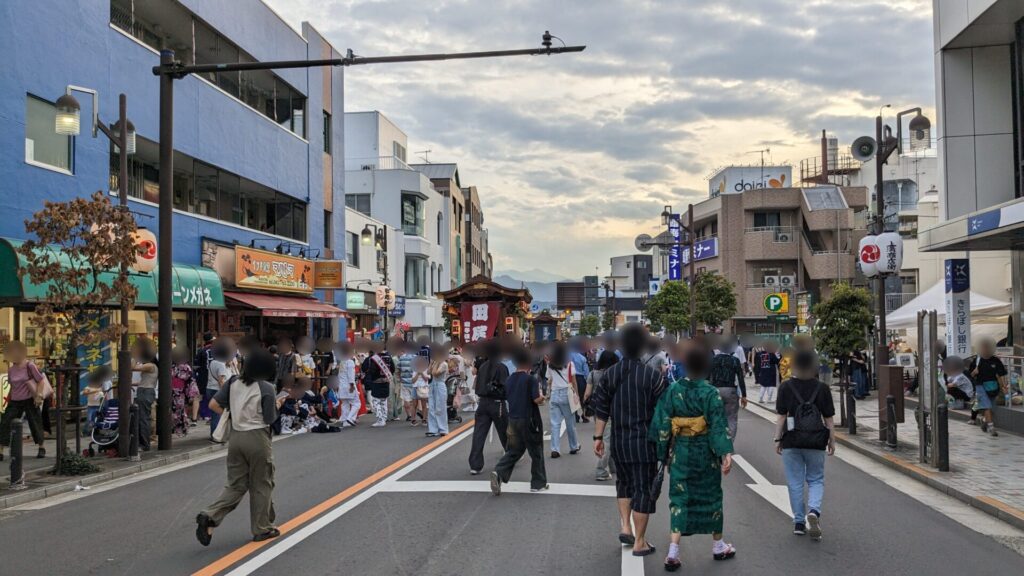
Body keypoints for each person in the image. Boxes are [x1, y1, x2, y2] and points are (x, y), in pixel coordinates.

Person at [650, 343, 736, 571]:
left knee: (679, 499)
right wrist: (725, 452)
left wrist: (661, 452)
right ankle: (718, 545)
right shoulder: (710, 393)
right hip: (705, 454)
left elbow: (662, 422)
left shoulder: (673, 390)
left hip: (681, 452)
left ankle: (673, 550)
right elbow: (718, 426)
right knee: (712, 497)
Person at [592, 323, 667, 558]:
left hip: (620, 441)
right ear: (643, 347)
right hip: (645, 443)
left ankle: (625, 526)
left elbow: (601, 407)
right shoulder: (653, 377)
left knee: (623, 484)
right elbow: (663, 412)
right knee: (643, 490)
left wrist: (597, 437)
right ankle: (640, 542)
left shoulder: (609, 374)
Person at [196, 349, 282, 546]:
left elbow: (213, 405)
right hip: (257, 437)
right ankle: (262, 528)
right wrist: (277, 404)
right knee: (261, 483)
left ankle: (210, 515)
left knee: (236, 484)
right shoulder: (267, 387)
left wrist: (234, 414)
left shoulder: (233, 382)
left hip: (236, 438)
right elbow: (270, 418)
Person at [775, 349, 836, 540]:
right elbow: (829, 419)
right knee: (816, 479)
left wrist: (778, 439)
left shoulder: (785, 387)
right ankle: (814, 512)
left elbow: (781, 417)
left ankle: (799, 522)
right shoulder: (822, 388)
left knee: (794, 482)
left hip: (792, 440)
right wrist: (832, 440)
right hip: (816, 440)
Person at [490, 346, 548, 494]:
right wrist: (543, 397)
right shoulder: (530, 380)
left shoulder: (509, 380)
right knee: (536, 452)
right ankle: (537, 483)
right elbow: (536, 399)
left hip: (513, 419)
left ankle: (499, 472)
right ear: (529, 363)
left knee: (513, 451)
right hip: (529, 420)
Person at [0, 341, 48, 460]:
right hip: (15, 400)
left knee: (35, 423)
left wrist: (39, 395)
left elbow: (40, 380)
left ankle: (41, 447)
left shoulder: (29, 365)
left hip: (30, 399)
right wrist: (8, 399)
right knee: (5, 423)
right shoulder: (11, 370)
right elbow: (12, 385)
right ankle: (0, 450)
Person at [468, 340, 509, 474]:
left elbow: (478, 386)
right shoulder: (502, 367)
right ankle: (511, 456)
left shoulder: (483, 367)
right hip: (497, 403)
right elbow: (505, 388)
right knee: (504, 432)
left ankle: (475, 464)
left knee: (479, 434)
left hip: (483, 403)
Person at [584, 350, 619, 481]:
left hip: (598, 409)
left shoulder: (593, 373)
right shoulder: (615, 374)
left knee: (607, 437)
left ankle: (613, 465)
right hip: (612, 409)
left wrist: (585, 408)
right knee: (608, 439)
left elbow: (587, 393)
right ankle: (601, 470)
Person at [546, 341, 582, 458]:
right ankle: (574, 446)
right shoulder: (570, 364)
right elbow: (574, 381)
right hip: (567, 394)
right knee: (570, 422)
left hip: (555, 394)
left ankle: (555, 449)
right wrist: (577, 394)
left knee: (555, 423)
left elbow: (549, 380)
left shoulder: (550, 365)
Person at [968, 338, 1006, 437]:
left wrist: (1004, 386)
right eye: (983, 347)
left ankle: (984, 421)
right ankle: (991, 427)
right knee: (987, 406)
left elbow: (1001, 374)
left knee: (991, 408)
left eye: (987, 347)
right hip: (980, 386)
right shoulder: (976, 360)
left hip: (993, 386)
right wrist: (974, 372)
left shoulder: (995, 360)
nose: (985, 349)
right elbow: (970, 375)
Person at [709, 343, 747, 440]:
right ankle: (729, 444)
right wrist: (744, 395)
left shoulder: (713, 360)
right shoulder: (735, 360)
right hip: (730, 390)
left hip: (715, 390)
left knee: (715, 417)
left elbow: (708, 376)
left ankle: (716, 441)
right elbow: (740, 378)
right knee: (731, 418)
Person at [208, 338, 238, 440]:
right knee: (219, 414)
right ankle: (216, 435)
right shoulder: (221, 364)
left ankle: (215, 433)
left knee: (215, 414)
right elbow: (221, 380)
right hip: (218, 390)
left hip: (210, 388)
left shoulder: (213, 362)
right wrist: (225, 392)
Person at [132, 338, 159, 451]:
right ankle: (142, 443)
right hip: (144, 391)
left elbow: (132, 367)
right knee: (140, 418)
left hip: (145, 392)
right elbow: (144, 381)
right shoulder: (151, 366)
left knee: (143, 419)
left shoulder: (150, 366)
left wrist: (135, 355)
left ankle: (144, 444)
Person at [361, 343, 395, 427]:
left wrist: (372, 378)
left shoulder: (375, 358)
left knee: (376, 401)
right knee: (384, 400)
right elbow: (393, 369)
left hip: (377, 382)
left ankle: (380, 419)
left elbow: (372, 370)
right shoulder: (389, 357)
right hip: (386, 381)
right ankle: (384, 418)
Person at [171, 347, 200, 437]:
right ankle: (178, 428)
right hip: (176, 389)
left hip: (178, 390)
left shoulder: (181, 366)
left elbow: (189, 379)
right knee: (176, 409)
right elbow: (190, 379)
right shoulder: (179, 366)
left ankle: (180, 428)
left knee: (178, 409)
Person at [81, 365, 114, 436]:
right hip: (96, 404)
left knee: (97, 418)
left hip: (100, 403)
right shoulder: (104, 382)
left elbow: (106, 392)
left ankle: (94, 431)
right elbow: (106, 393)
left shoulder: (105, 381)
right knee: (91, 419)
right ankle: (87, 431)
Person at [335, 342, 360, 427]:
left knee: (345, 404)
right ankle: (350, 418)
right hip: (349, 386)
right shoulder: (350, 362)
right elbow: (351, 376)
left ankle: (345, 420)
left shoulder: (342, 362)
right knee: (357, 403)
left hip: (342, 386)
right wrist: (353, 386)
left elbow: (339, 376)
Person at [426, 350, 450, 437]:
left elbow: (435, 373)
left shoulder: (444, 364)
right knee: (431, 407)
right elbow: (428, 372)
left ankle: (443, 429)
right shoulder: (435, 363)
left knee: (440, 408)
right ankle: (433, 429)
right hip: (432, 386)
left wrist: (436, 363)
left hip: (440, 386)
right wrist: (431, 363)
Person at [570, 339, 591, 423]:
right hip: (581, 378)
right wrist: (588, 382)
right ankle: (585, 415)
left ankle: (575, 416)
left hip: (571, 378)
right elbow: (586, 372)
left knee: (573, 397)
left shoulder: (567, 356)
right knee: (582, 398)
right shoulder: (582, 358)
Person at [398, 345, 418, 424]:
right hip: (413, 381)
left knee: (406, 399)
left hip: (404, 381)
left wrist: (400, 378)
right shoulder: (415, 357)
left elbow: (398, 369)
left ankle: (408, 415)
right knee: (413, 400)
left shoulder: (402, 358)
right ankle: (414, 415)